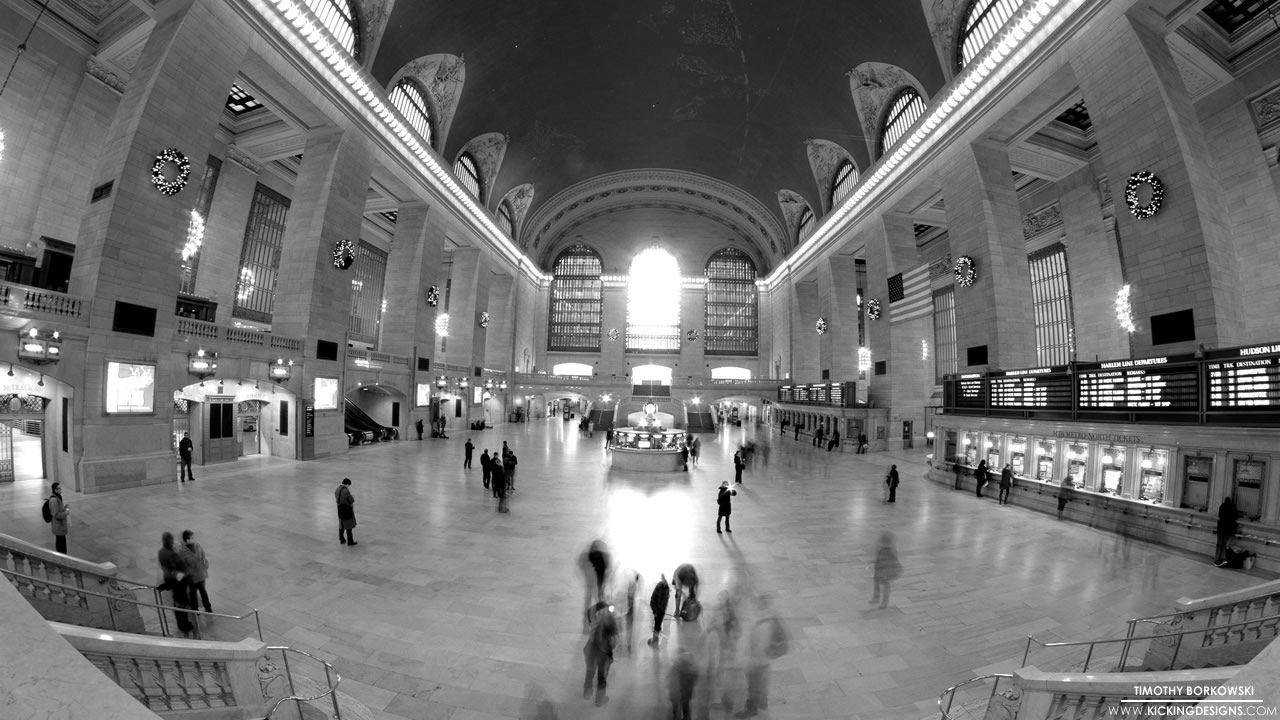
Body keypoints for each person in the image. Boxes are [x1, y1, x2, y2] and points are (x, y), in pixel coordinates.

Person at [740, 594, 787, 717]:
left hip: (760, 663)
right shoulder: (764, 618)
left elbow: (760, 645)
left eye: (758, 604)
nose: (755, 606)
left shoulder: (766, 622)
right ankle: (753, 708)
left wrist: (751, 660)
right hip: (758, 662)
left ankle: (758, 712)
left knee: (758, 691)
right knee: (755, 689)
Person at [582, 601, 618, 706]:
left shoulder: (596, 616)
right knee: (602, 677)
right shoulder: (610, 621)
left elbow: (589, 612)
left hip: (592, 650)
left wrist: (590, 624)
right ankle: (599, 700)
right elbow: (614, 640)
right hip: (604, 653)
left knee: (590, 672)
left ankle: (587, 693)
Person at [157, 532, 193, 636]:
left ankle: (182, 624)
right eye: (171, 541)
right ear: (169, 541)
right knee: (180, 604)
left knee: (178, 602)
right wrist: (185, 574)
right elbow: (179, 569)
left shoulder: (161, 552)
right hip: (177, 582)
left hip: (171, 580)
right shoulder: (171, 554)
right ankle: (184, 626)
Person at [178, 529, 212, 613]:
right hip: (191, 577)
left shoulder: (197, 545)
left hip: (200, 574)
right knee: (193, 593)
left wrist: (205, 563)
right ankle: (195, 609)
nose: (194, 539)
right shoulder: (182, 551)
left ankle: (207, 607)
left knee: (203, 591)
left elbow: (203, 556)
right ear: (187, 539)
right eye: (192, 538)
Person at [870, 531, 901, 609]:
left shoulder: (891, 551)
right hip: (879, 570)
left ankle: (884, 602)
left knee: (885, 586)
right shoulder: (881, 549)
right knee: (877, 584)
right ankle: (876, 598)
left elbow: (894, 561)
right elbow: (877, 558)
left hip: (886, 571)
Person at [1215, 496, 1239, 566]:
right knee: (1224, 544)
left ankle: (1217, 559)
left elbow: (1219, 515)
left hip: (1221, 529)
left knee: (1219, 544)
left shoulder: (1222, 506)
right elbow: (1235, 516)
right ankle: (1222, 558)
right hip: (1227, 529)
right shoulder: (1233, 507)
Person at [47, 482, 70, 554]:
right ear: (55, 490)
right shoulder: (54, 500)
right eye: (59, 488)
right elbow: (56, 515)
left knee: (62, 542)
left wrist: (64, 507)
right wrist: (66, 513)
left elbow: (58, 509)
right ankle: (62, 558)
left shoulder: (58, 496)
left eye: (60, 488)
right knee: (61, 544)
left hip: (60, 526)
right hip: (58, 526)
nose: (61, 490)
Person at [648, 573, 670, 647]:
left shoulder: (662, 587)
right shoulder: (663, 587)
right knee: (658, 622)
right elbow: (659, 601)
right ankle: (656, 635)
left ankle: (655, 639)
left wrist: (656, 611)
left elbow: (659, 601)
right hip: (659, 609)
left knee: (657, 623)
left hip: (659, 609)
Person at [335, 478, 357, 546]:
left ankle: (341, 539)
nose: (348, 487)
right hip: (346, 510)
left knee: (341, 524)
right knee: (348, 526)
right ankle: (350, 541)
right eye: (348, 485)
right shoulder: (346, 491)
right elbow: (351, 500)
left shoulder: (337, 488)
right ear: (347, 484)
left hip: (339, 508)